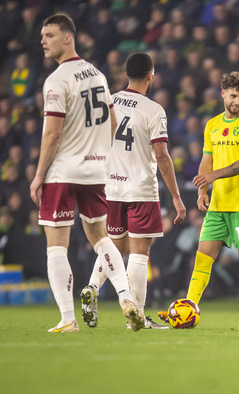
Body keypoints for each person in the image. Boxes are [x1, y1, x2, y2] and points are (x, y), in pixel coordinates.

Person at [29, 14, 144, 333]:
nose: (43, 41)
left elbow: (52, 134)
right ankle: (125, 296)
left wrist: (39, 175)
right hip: (96, 171)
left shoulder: (56, 80)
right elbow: (111, 119)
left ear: (68, 38)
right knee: (101, 238)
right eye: (42, 35)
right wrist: (106, 158)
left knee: (56, 246)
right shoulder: (97, 75)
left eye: (50, 35)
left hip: (63, 171)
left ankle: (68, 319)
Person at [80, 52, 186, 330]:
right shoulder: (153, 110)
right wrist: (175, 196)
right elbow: (162, 156)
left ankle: (92, 286)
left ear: (126, 74)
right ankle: (136, 317)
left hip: (111, 188)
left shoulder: (108, 102)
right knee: (140, 252)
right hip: (140, 188)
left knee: (116, 247)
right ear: (151, 75)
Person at [158, 71, 239, 330]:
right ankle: (186, 310)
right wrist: (203, 189)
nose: (238, 101)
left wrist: (213, 175)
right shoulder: (213, 124)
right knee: (202, 258)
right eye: (234, 96)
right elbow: (207, 158)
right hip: (217, 205)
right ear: (223, 94)